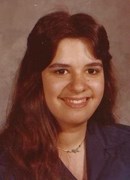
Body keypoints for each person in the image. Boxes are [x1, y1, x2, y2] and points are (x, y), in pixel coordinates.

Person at [0, 11, 130, 180]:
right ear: (36, 80)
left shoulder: (126, 145)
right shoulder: (6, 163)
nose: (78, 86)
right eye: (61, 71)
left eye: (91, 71)